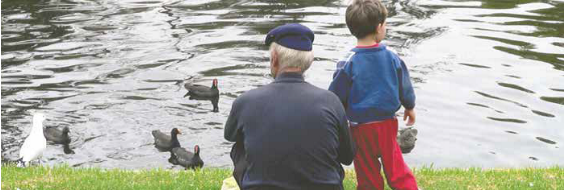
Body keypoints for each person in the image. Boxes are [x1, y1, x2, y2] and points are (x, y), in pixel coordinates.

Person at [224, 23, 355, 190]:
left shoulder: (245, 101)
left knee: (239, 145)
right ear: (309, 61)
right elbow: (347, 156)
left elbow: (229, 135)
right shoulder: (331, 102)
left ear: (274, 59)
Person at [328, 0, 419, 190]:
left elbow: (336, 96)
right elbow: (405, 85)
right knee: (395, 167)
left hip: (359, 128)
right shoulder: (392, 56)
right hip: (387, 124)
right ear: (379, 27)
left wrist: (338, 119)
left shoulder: (347, 61)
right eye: (385, 24)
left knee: (366, 169)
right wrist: (409, 106)